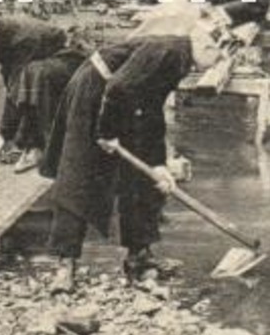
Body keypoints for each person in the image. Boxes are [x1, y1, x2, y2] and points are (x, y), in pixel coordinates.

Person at [40, 16, 228, 292]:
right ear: (206, 47)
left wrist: (158, 164)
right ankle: (64, 266)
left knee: (141, 178)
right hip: (93, 93)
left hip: (118, 101)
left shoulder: (180, 60)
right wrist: (107, 132)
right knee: (79, 178)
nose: (215, 63)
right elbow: (119, 86)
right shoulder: (170, 52)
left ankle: (138, 256)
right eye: (217, 56)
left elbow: (151, 111)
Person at [0, 2, 89, 174]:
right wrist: (5, 131)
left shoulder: (20, 39)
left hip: (76, 66)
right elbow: (11, 85)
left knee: (34, 76)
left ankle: (42, 148)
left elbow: (22, 93)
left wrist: (17, 138)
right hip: (51, 66)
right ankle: (35, 145)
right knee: (30, 78)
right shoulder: (1, 38)